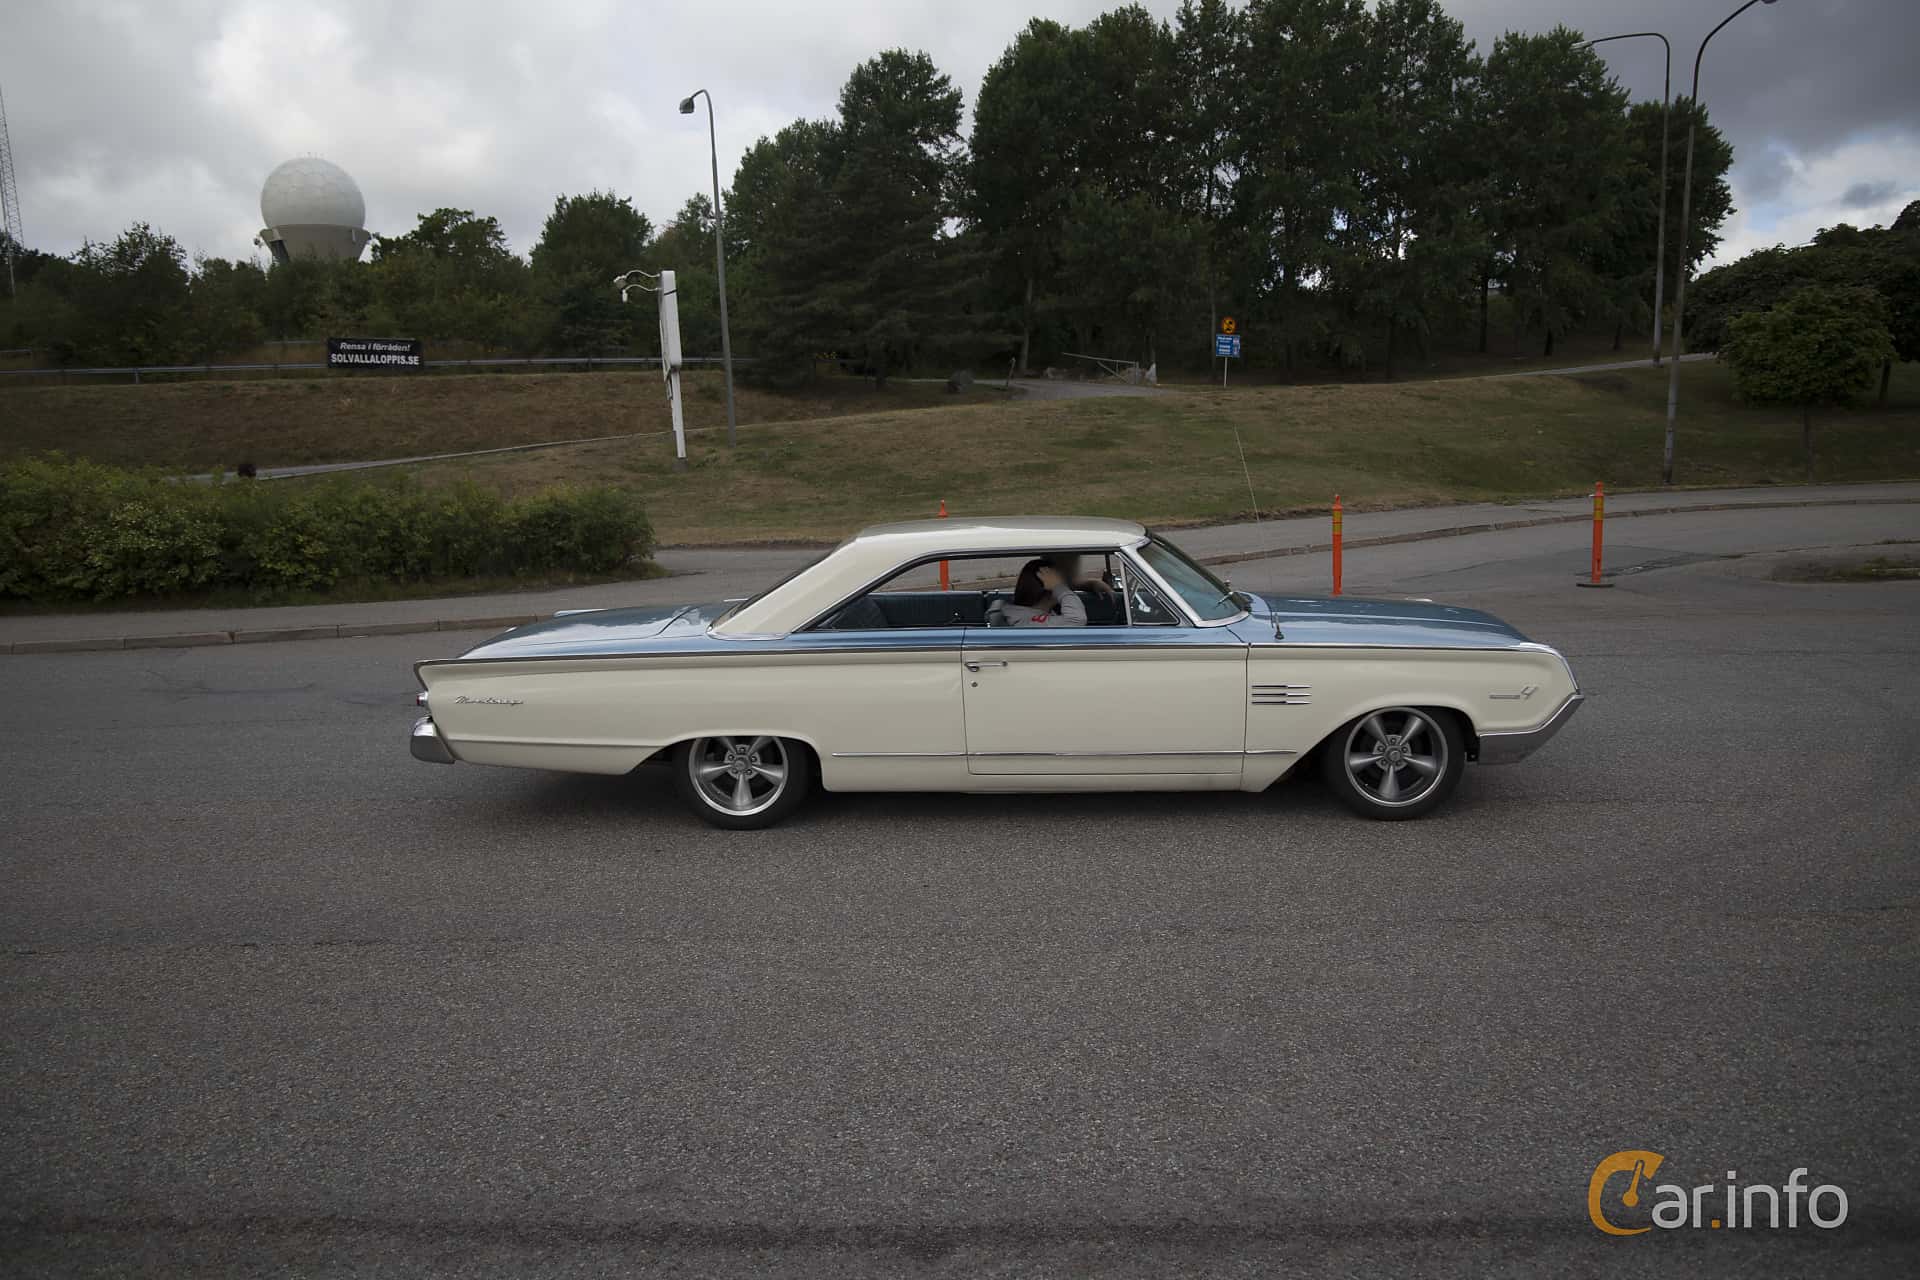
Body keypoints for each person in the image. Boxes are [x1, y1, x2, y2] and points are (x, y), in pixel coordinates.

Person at [985, 559, 1088, 628]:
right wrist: (1058, 587)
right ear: (1049, 589)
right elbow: (1077, 620)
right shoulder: (1030, 623)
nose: (1064, 586)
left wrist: (1088, 585)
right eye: (1059, 582)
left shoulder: (1021, 613)